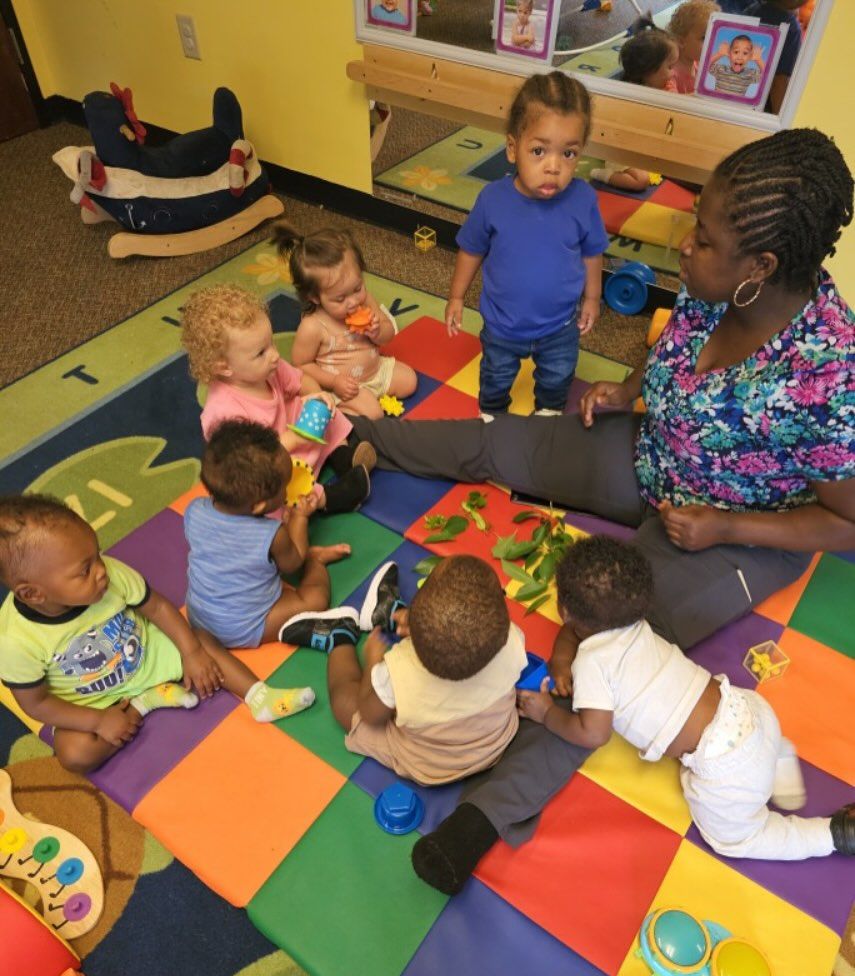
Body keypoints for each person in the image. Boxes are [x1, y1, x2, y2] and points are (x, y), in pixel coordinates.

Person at [348, 127, 855, 893]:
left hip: (735, 534)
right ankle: (365, 449)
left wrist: (724, 526)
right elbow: (670, 345)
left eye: (705, 238)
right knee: (508, 444)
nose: (684, 245)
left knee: (608, 660)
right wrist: (625, 391)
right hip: (654, 457)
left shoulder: (827, 373)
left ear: (761, 266)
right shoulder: (710, 282)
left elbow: (844, 522)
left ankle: (477, 821)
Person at [518, 536, 855, 860]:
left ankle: (832, 835)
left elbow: (593, 732)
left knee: (735, 840)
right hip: (751, 710)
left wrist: (547, 711)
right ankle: (777, 757)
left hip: (729, 768)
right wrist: (561, 663)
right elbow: (574, 632)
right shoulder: (634, 621)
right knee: (760, 748)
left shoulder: (592, 663)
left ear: (564, 610)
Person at [0, 495, 317, 775]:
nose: (101, 570)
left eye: (97, 554)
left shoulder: (110, 575)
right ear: (33, 594)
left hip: (150, 654)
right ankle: (146, 702)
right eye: (84, 570)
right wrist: (97, 722)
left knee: (202, 639)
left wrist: (191, 653)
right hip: (93, 701)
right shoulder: (16, 641)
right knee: (74, 755)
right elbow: (37, 703)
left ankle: (258, 697)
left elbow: (158, 609)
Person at [279, 556, 528, 785]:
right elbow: (467, 634)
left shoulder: (398, 671)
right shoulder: (513, 638)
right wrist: (420, 624)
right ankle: (388, 612)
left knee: (346, 705)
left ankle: (339, 636)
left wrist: (373, 662)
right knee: (454, 630)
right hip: (494, 742)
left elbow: (370, 713)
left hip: (428, 764)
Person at [446, 71, 609, 418]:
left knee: (557, 378)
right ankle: (492, 415)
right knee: (495, 377)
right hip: (503, 325)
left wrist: (592, 297)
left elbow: (592, 251)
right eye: (538, 150)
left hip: (560, 325)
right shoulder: (493, 199)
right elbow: (471, 249)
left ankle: (547, 413)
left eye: (568, 153)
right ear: (511, 148)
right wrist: (457, 296)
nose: (553, 167)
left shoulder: (583, 199)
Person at [182, 283, 373, 514]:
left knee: (327, 413)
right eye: (261, 353)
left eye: (271, 342)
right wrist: (293, 439)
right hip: (273, 457)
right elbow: (252, 464)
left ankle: (342, 455)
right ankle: (330, 499)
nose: (274, 355)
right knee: (273, 495)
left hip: (295, 428)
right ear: (224, 367)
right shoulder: (223, 414)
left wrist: (316, 396)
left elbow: (300, 381)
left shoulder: (268, 367)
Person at [184, 420, 357, 649]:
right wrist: (300, 518)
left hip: (198, 617)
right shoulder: (271, 534)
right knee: (315, 599)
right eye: (284, 486)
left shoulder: (194, 510)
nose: (287, 490)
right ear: (258, 506)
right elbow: (293, 563)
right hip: (242, 626)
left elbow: (229, 548)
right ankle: (317, 561)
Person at [273, 225, 417, 420]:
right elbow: (301, 366)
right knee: (373, 414)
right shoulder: (313, 326)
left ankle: (369, 398)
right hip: (342, 386)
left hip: (375, 370)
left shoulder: (365, 301)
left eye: (357, 288)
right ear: (315, 297)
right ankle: (337, 411)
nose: (353, 302)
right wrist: (334, 382)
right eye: (340, 299)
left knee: (410, 381)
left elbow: (389, 335)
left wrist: (377, 332)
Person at [590, 28, 680, 192]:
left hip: (645, 146)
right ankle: (602, 174)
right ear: (648, 71)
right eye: (670, 67)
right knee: (640, 181)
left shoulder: (664, 86)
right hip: (622, 149)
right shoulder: (633, 97)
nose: (674, 73)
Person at [668, 0, 721, 93]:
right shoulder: (670, 73)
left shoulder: (698, 62)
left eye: (714, 35)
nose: (712, 43)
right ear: (681, 41)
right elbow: (672, 102)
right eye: (704, 38)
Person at [707, 33, 765, 97]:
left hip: (735, 106)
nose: (740, 57)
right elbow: (705, 65)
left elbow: (767, 76)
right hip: (716, 103)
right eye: (736, 52)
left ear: (750, 57)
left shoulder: (750, 74)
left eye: (745, 53)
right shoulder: (721, 68)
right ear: (729, 53)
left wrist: (758, 59)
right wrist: (719, 54)